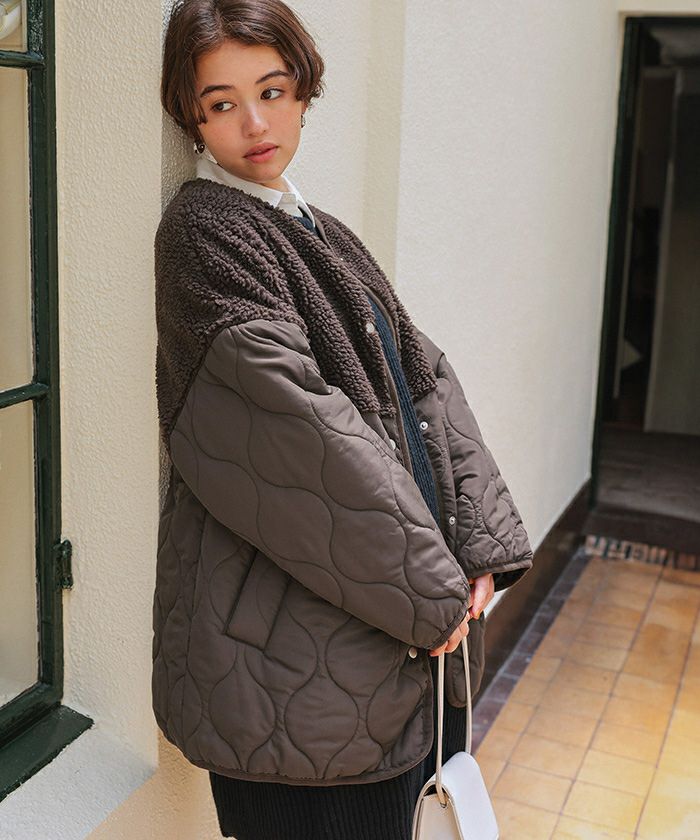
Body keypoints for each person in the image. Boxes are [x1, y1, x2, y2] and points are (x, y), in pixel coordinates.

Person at [153, 2, 534, 838]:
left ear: (303, 90)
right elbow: (296, 440)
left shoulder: (317, 229)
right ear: (191, 117)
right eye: (221, 103)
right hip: (291, 677)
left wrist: (480, 543)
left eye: (271, 91)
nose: (255, 124)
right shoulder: (204, 236)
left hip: (389, 642)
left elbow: (428, 379)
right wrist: (433, 597)